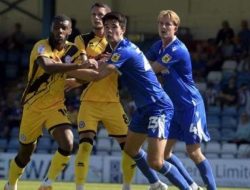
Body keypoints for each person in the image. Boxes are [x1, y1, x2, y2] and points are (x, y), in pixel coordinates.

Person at [68, 11, 194, 190]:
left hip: (158, 106)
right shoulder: (118, 51)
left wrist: (62, 69)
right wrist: (77, 75)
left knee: (156, 162)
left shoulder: (124, 50)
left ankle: (188, 188)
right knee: (130, 149)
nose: (109, 30)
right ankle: (156, 184)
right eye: (107, 27)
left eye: (114, 27)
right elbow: (97, 70)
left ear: (123, 29)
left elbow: (97, 76)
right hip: (144, 108)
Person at [4, 14, 93, 190]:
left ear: (69, 31)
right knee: (25, 155)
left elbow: (85, 76)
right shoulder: (41, 46)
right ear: (51, 28)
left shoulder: (73, 51)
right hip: (33, 107)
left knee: (68, 143)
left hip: (55, 106)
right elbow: (48, 67)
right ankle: (11, 184)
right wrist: (79, 67)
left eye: (63, 28)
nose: (59, 31)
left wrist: (79, 79)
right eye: (56, 27)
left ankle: (47, 183)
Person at [66, 3, 136, 190]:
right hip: (89, 102)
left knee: (129, 148)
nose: (97, 18)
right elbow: (82, 64)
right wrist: (87, 65)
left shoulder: (118, 42)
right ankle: (79, 187)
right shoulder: (82, 39)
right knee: (85, 146)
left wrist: (91, 65)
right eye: (94, 14)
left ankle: (127, 186)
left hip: (113, 102)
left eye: (101, 15)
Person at [146, 10, 216, 190]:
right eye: (161, 23)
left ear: (175, 28)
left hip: (190, 105)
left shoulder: (177, 48)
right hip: (174, 108)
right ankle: (192, 186)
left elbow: (151, 68)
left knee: (193, 152)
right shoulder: (158, 46)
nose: (163, 27)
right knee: (165, 153)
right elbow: (146, 62)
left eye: (168, 24)